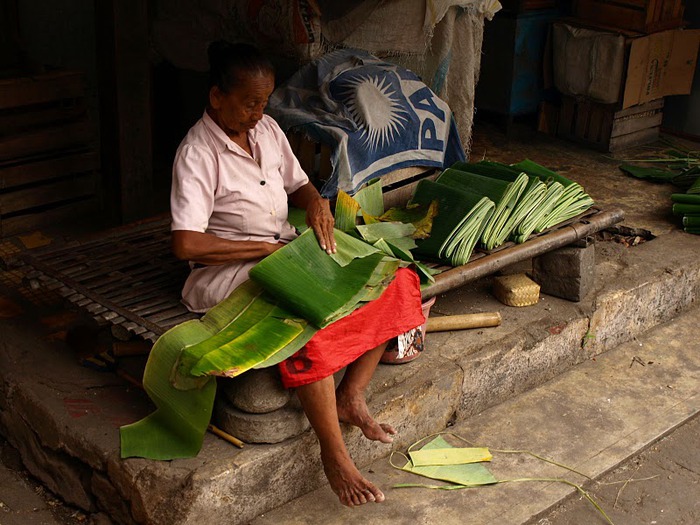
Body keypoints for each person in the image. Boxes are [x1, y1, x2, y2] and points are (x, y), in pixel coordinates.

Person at [169, 41, 425, 507]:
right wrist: (262, 249)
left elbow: (300, 184)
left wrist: (318, 205)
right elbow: (187, 244)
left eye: (263, 102)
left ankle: (352, 395)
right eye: (248, 102)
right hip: (226, 273)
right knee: (305, 317)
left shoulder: (266, 130)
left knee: (395, 278)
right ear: (216, 97)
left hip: (285, 254)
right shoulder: (197, 153)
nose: (258, 113)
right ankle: (334, 453)